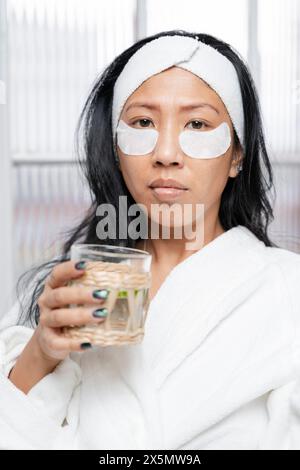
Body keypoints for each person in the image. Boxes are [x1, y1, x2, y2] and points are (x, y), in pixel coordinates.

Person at [0, 30, 299, 450]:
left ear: (237, 155)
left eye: (197, 124)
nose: (166, 152)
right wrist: (41, 351)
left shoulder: (288, 292)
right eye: (142, 122)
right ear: (117, 149)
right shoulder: (66, 291)